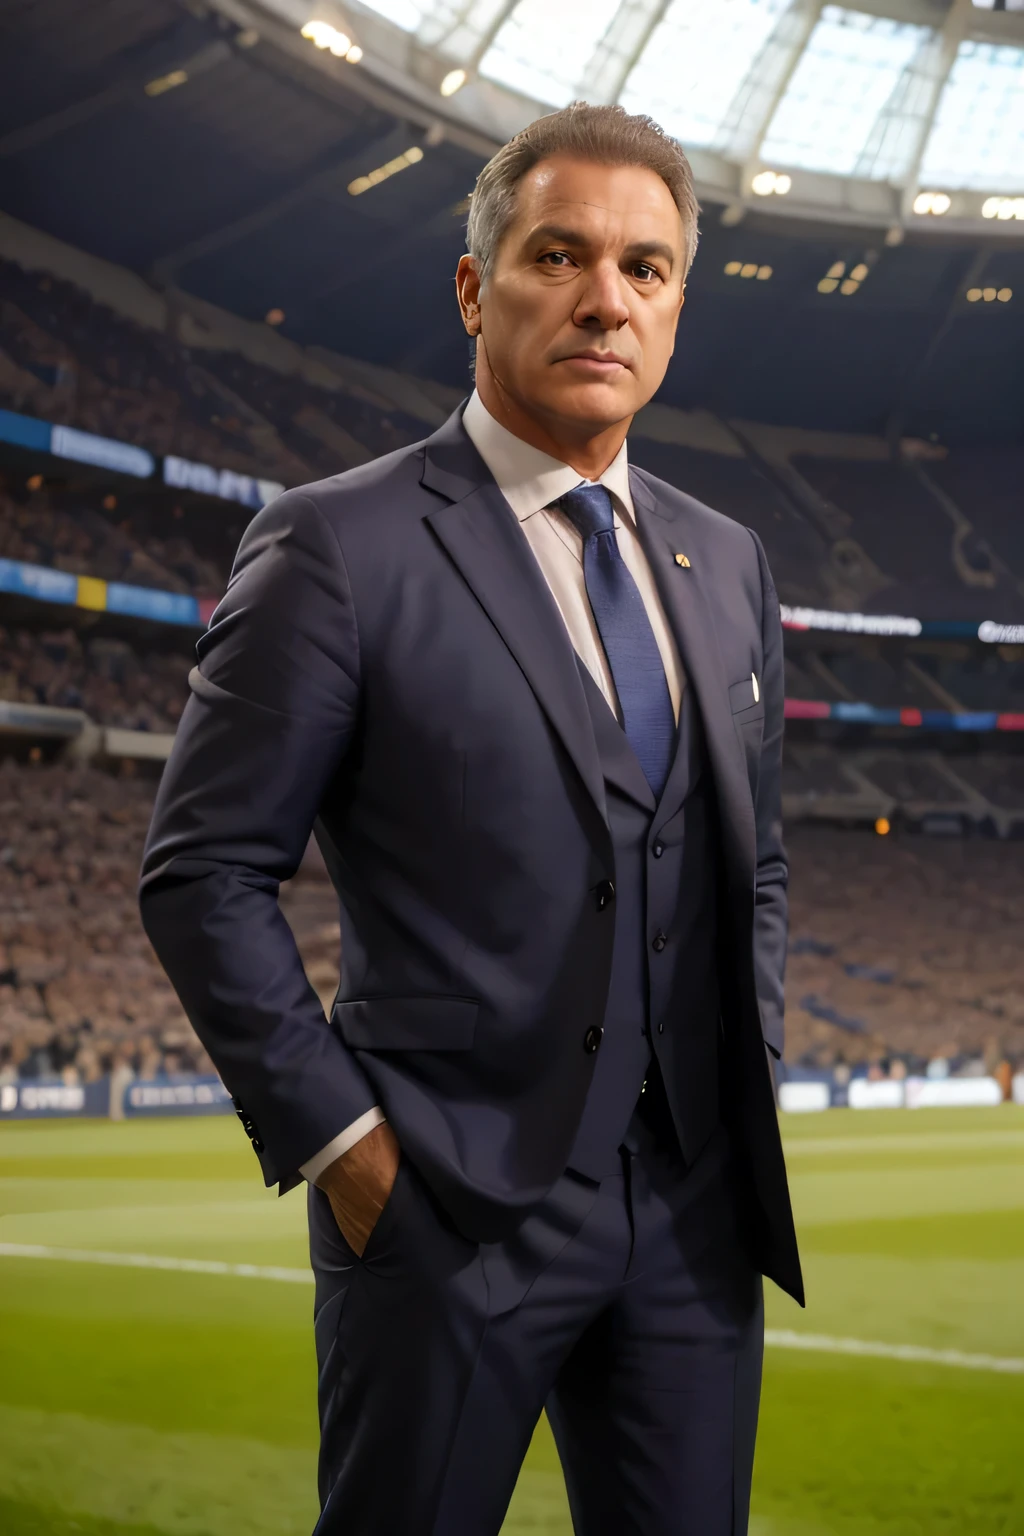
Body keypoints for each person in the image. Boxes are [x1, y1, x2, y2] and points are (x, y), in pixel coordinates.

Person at [139, 101, 802, 1536]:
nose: (604, 299)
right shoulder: (339, 544)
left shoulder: (730, 560)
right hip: (445, 1208)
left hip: (695, 1223)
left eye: (645, 269)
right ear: (473, 285)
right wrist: (353, 1158)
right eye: (559, 255)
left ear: (678, 305)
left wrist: (741, 1067)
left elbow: (759, 864)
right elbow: (204, 874)